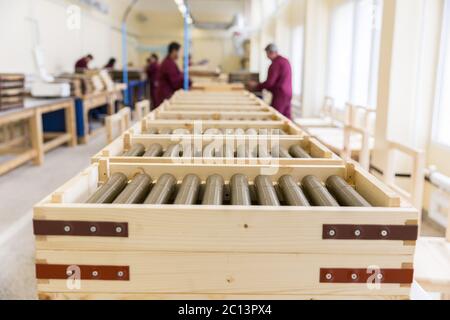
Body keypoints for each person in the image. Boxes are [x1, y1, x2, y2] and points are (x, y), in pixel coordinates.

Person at [248, 44, 293, 119]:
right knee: (286, 117)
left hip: (280, 94)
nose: (267, 56)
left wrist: (256, 86)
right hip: (288, 93)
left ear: (270, 53)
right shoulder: (285, 61)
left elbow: (270, 83)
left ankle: (277, 131)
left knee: (276, 117)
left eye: (267, 53)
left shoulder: (275, 64)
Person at [155, 42, 190, 107]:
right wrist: (188, 82)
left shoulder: (170, 62)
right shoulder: (168, 64)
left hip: (166, 95)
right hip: (165, 96)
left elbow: (177, 76)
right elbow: (175, 82)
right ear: (174, 51)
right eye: (179, 52)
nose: (180, 54)